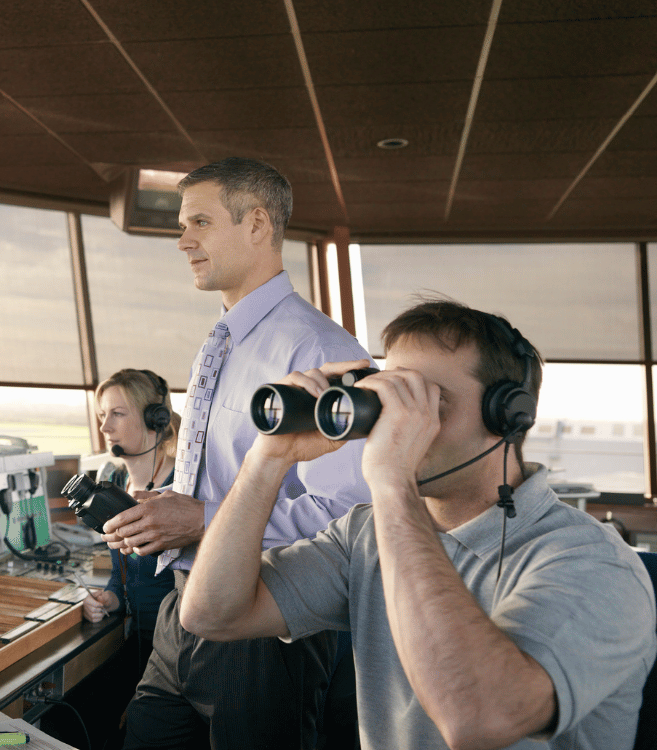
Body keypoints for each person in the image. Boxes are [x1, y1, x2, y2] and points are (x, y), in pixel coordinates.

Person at [180, 299, 657, 750]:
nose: (399, 423)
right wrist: (268, 459)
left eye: (429, 404)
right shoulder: (366, 533)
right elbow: (211, 614)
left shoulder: (593, 562)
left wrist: (391, 482)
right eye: (393, 397)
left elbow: (477, 717)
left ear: (508, 418)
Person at [104, 157, 374, 749]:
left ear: (256, 224)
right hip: (185, 607)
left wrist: (202, 520)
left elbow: (352, 514)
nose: (183, 241)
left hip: (265, 625)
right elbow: (221, 481)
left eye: (199, 222)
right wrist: (171, 508)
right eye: (183, 224)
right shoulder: (220, 343)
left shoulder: (321, 349)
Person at [73, 369, 180, 747]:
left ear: (156, 418)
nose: (105, 427)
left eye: (117, 414)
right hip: (138, 640)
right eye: (102, 415)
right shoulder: (114, 484)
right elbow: (121, 574)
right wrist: (110, 597)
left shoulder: (183, 490)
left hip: (177, 648)